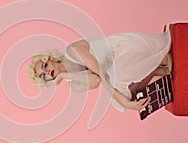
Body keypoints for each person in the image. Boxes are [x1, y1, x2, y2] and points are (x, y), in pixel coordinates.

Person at [28, 24, 172, 112]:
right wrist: (65, 76)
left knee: (119, 79)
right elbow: (95, 81)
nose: (46, 72)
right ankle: (154, 70)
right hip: (114, 68)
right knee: (124, 96)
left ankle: (161, 58)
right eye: (43, 75)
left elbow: (101, 74)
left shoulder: (72, 51)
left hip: (121, 49)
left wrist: (124, 103)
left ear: (51, 58)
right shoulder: (74, 85)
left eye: (45, 65)